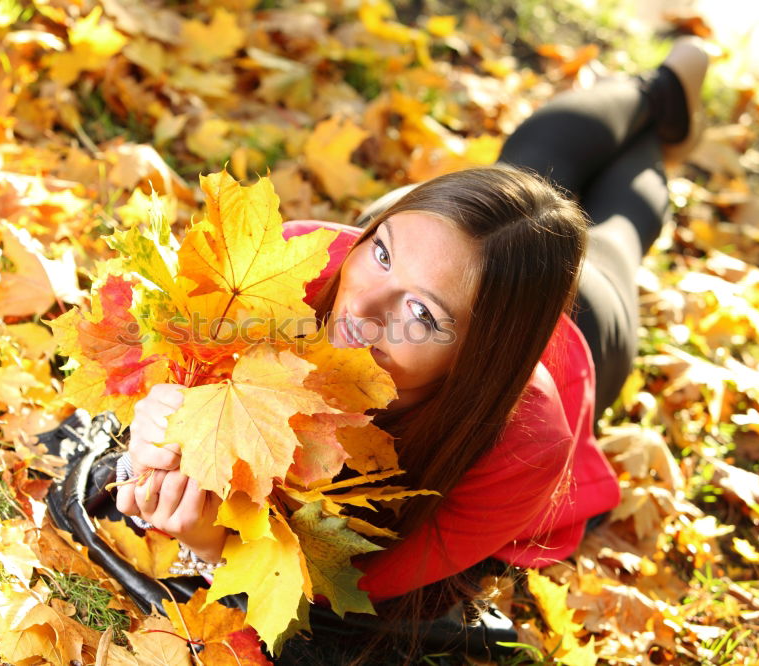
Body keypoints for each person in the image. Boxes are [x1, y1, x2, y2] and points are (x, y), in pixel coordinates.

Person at [96, 36, 710, 660]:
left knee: (617, 235)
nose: (358, 309)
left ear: (475, 355)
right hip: (480, 263)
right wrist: (152, 437)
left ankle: (660, 145)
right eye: (382, 251)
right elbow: (160, 367)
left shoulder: (524, 443)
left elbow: (348, 585)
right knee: (533, 165)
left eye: (421, 312)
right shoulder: (296, 266)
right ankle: (661, 87)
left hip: (584, 335)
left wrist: (214, 543)